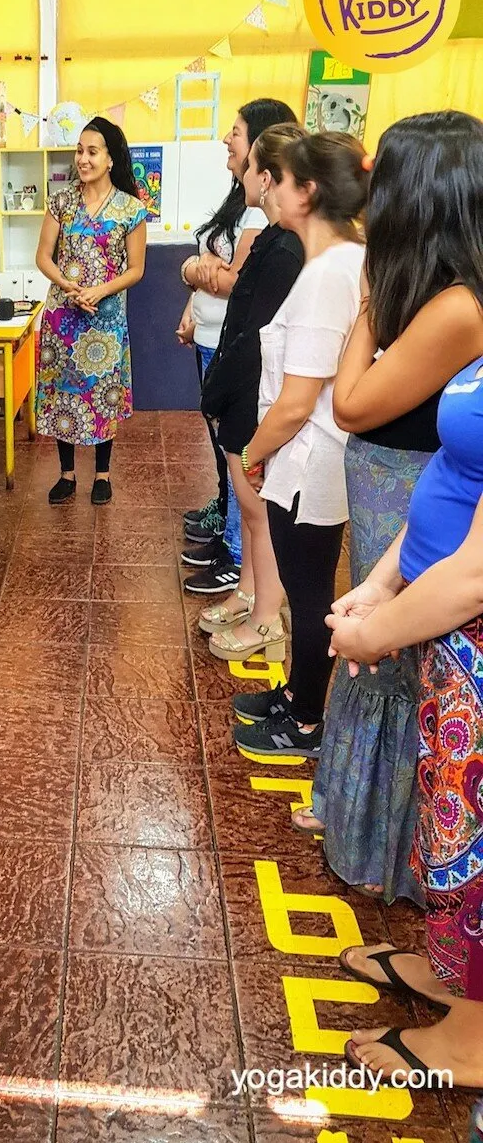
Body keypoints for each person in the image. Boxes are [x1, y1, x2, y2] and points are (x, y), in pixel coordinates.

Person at [291, 111, 483, 905]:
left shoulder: (456, 306)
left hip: (407, 487)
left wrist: (367, 298)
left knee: (394, 670)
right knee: (382, 664)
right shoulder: (435, 288)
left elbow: (354, 400)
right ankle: (357, 819)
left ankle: (390, 846)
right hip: (401, 495)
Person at [327, 353, 483, 1091]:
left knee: (474, 842)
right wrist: (382, 582)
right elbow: (453, 468)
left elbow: (479, 571)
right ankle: (457, 979)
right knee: (449, 823)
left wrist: (376, 631)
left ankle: (474, 1040)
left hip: (471, 622)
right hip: (445, 622)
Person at [232, 132, 367, 759]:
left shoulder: (326, 275)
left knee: (310, 593)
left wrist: (252, 454)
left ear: (306, 192)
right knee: (307, 584)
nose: (270, 187)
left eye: (280, 178)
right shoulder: (343, 261)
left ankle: (306, 718)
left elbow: (295, 401)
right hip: (311, 455)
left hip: (309, 458)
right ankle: (294, 693)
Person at [178, 98, 298, 595]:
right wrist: (196, 274)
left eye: (236, 134)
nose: (228, 142)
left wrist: (202, 271)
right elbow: (209, 272)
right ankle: (242, 569)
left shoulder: (281, 241)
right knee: (230, 462)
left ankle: (245, 575)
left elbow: (233, 287)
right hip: (217, 344)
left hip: (246, 371)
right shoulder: (249, 212)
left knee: (246, 474)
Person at [198, 123, 306, 656]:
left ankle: (267, 616)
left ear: (267, 178)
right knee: (247, 504)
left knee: (257, 506)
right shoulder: (267, 239)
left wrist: (217, 391)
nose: (237, 169)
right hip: (243, 390)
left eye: (247, 162)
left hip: (255, 394)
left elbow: (258, 336)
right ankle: (250, 591)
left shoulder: (287, 249)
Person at [35, 116, 148, 505]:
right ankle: (66, 475)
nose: (83, 159)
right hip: (63, 316)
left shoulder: (131, 209)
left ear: (111, 158)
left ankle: (102, 474)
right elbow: (43, 257)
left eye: (92, 152)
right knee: (63, 394)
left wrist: (99, 291)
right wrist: (68, 286)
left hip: (106, 318)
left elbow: (136, 269)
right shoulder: (61, 202)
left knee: (104, 395)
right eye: (79, 151)